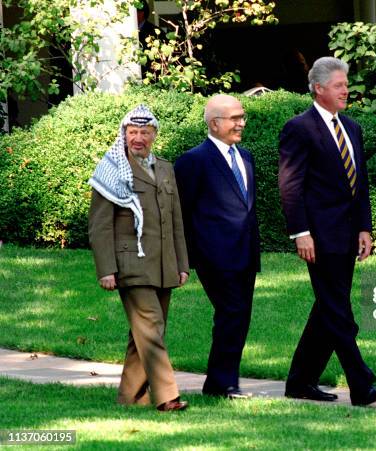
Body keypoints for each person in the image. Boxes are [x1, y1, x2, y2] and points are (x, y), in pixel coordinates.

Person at [278, 56, 376, 406]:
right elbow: (290, 186)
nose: (346, 91)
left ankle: (300, 381)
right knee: (338, 312)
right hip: (318, 237)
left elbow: (359, 183)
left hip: (346, 236)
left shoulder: (352, 128)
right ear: (319, 88)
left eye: (346, 84)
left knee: (328, 309)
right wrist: (301, 233)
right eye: (340, 85)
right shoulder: (299, 128)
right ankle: (360, 382)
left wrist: (364, 228)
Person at [88, 104, 189, 412]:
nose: (138, 138)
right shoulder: (111, 170)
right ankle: (167, 396)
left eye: (145, 132)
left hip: (163, 265)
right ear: (124, 134)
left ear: (154, 135)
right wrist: (106, 269)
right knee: (151, 325)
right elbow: (99, 226)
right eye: (132, 132)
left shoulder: (165, 168)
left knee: (144, 332)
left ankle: (130, 396)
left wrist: (182, 264)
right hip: (130, 264)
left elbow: (175, 221)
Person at [174, 94, 260, 400]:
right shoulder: (193, 161)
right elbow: (180, 213)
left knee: (239, 316)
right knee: (231, 312)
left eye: (242, 117)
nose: (241, 123)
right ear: (214, 123)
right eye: (235, 118)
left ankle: (221, 383)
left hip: (245, 254)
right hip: (214, 256)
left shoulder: (245, 157)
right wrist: (183, 259)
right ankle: (223, 383)